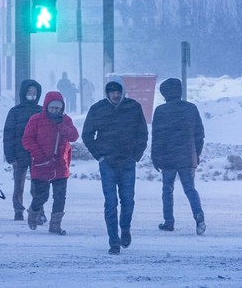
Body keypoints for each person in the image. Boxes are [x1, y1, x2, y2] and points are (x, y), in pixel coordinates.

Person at [82, 75, 148, 255]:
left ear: (123, 91)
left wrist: (136, 155)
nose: (115, 95)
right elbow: (87, 135)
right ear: (107, 93)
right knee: (110, 202)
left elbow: (142, 133)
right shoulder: (97, 109)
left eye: (118, 91)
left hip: (128, 161)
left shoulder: (133, 108)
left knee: (128, 200)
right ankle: (113, 241)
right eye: (112, 92)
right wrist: (100, 156)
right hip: (107, 163)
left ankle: (125, 228)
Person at [151, 78, 206, 235]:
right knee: (190, 188)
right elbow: (199, 134)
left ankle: (169, 221)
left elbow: (157, 136)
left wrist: (155, 157)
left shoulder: (161, 111)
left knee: (167, 189)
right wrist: (197, 153)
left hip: (167, 156)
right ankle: (198, 215)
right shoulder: (191, 108)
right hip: (187, 156)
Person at [22, 91, 79, 234]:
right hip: (42, 165)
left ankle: (55, 225)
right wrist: (39, 155)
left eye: (58, 108)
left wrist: (62, 126)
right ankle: (34, 212)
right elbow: (27, 139)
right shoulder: (36, 120)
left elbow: (74, 136)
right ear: (46, 106)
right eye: (52, 108)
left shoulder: (65, 120)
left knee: (60, 197)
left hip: (60, 165)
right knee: (42, 195)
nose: (55, 111)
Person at [3, 79, 43, 221]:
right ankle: (18, 209)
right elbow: (8, 134)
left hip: (37, 154)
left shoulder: (41, 111)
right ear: (23, 93)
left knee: (37, 184)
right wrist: (9, 154)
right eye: (29, 92)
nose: (32, 95)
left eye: (34, 92)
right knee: (18, 184)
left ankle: (38, 209)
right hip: (19, 154)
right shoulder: (15, 112)